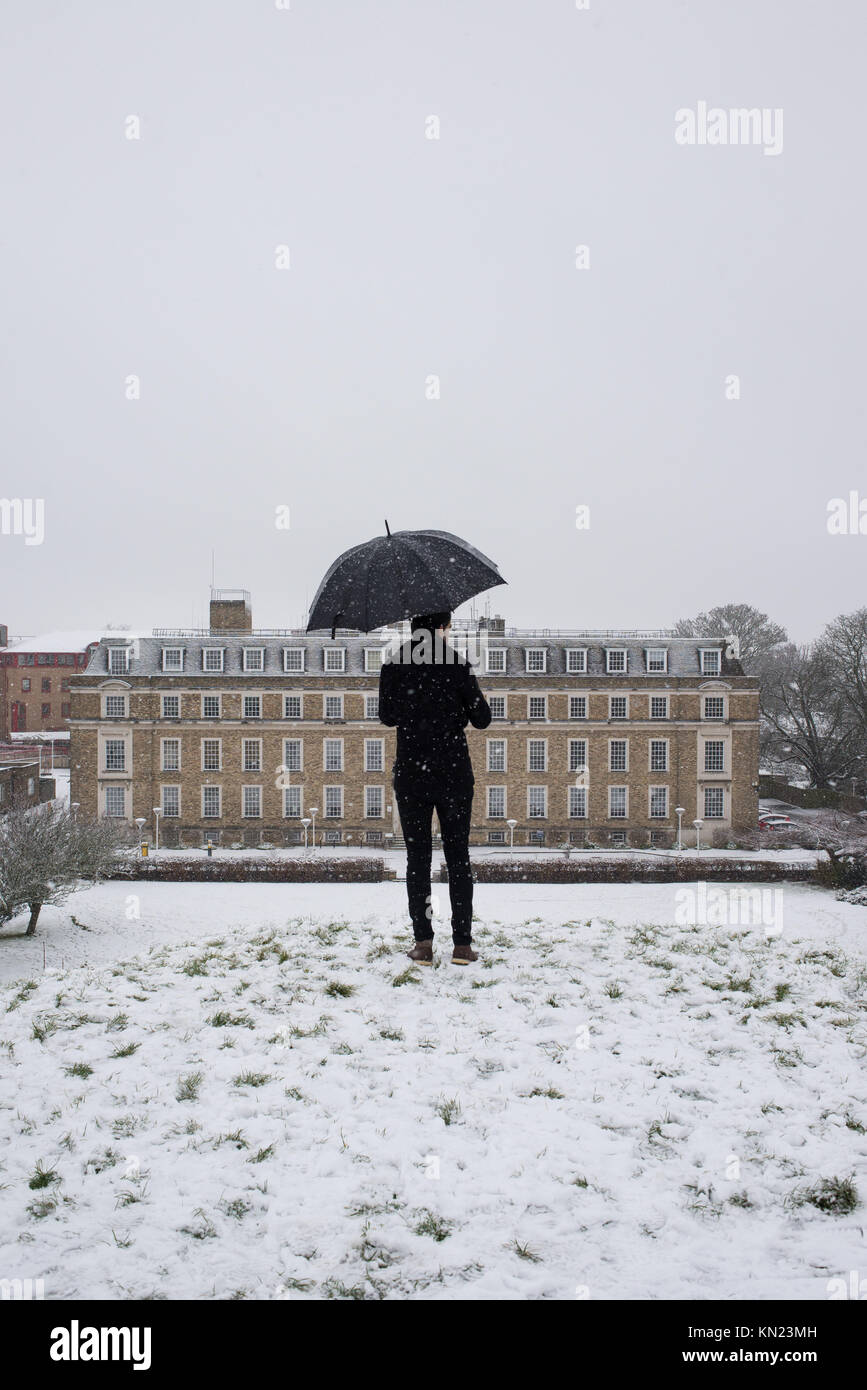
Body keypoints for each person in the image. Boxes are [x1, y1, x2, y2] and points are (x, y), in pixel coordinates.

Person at [378, 611, 492, 964]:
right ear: (442, 629)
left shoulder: (395, 664)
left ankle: (424, 944)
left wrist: (416, 706)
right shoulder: (457, 664)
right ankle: (462, 944)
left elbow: (387, 716)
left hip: (413, 774)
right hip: (453, 774)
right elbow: (482, 718)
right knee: (458, 858)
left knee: (417, 860)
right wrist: (455, 705)